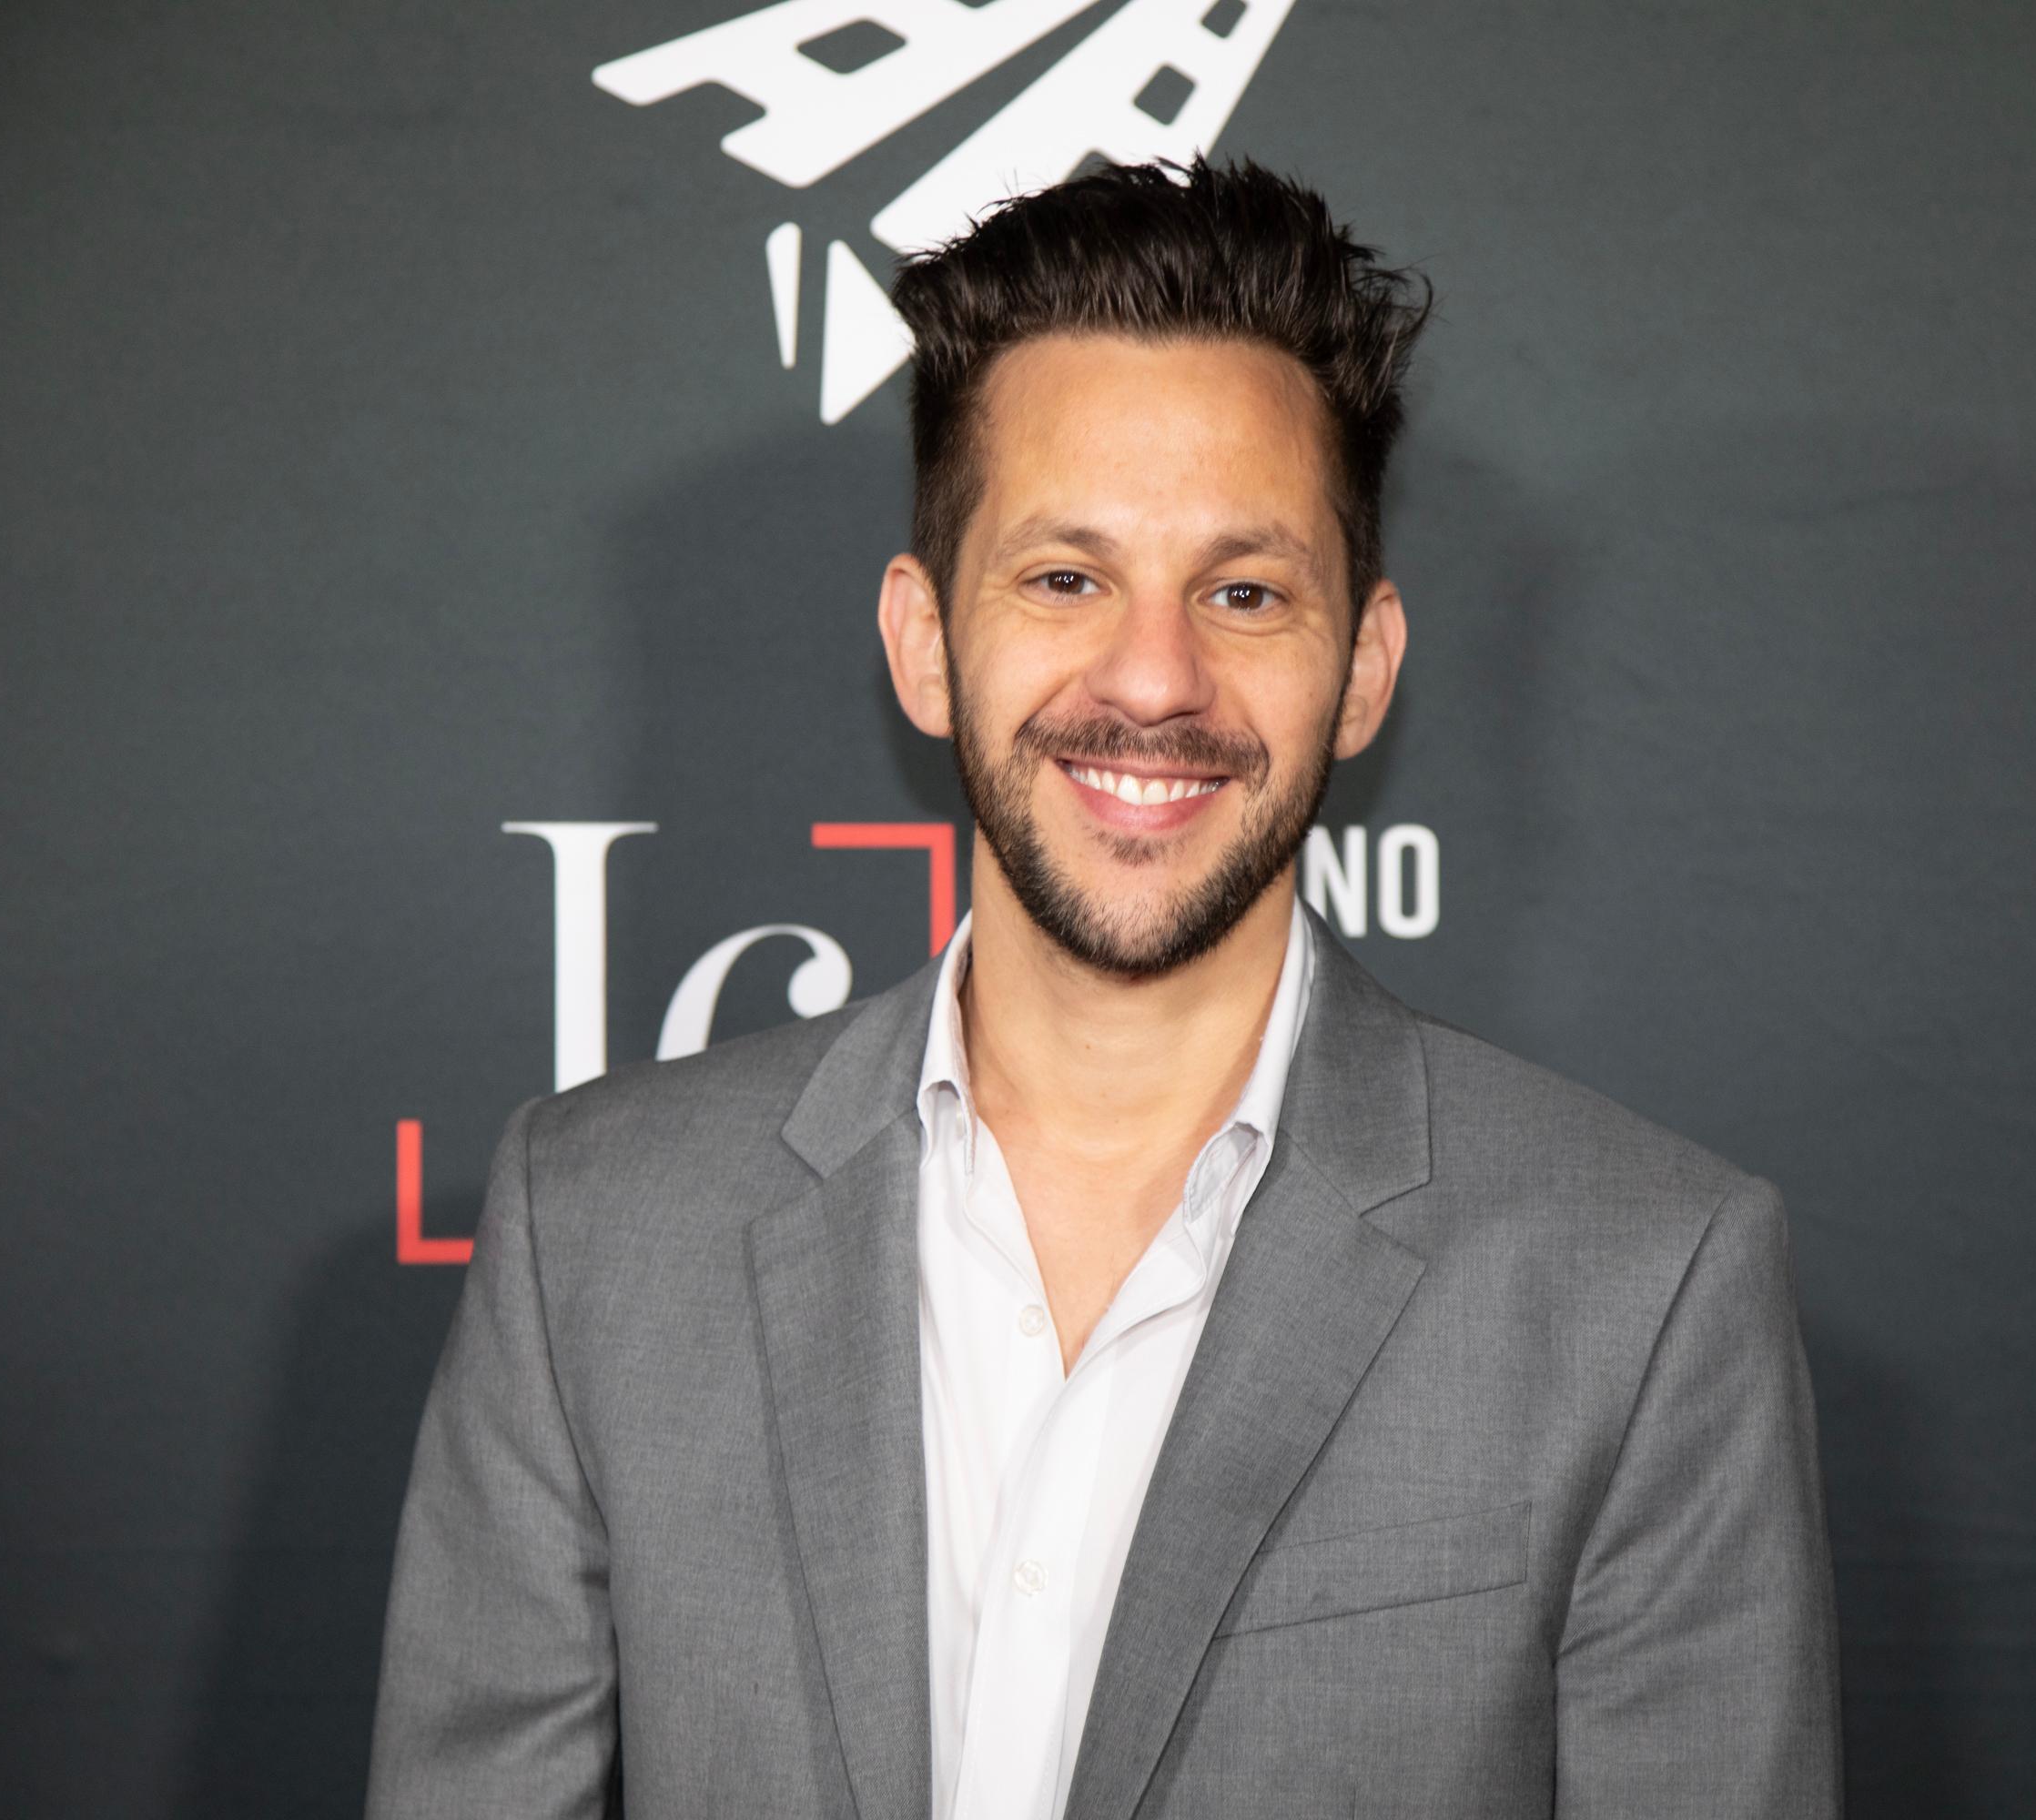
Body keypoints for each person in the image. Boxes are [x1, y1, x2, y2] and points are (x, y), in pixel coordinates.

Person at [367, 157, 1839, 1820]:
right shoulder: (596, 1235)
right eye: (1066, 578)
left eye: (1245, 591)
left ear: (1361, 668)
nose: (1154, 679)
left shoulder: (1643, 1286)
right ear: (925, 643)